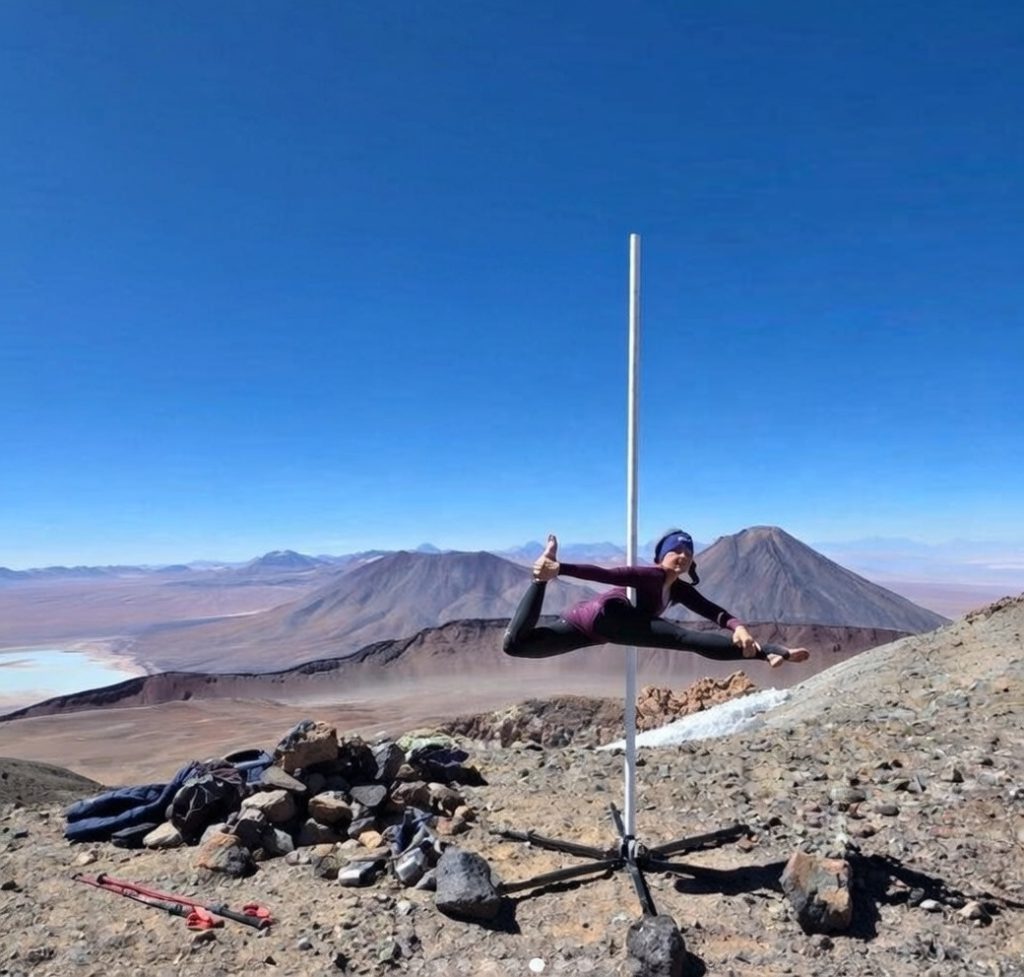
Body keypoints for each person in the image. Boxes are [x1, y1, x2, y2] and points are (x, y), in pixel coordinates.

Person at [502, 529, 810, 668]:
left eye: (688, 553)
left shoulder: (678, 589)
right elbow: (608, 575)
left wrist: (738, 627)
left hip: (591, 627)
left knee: (516, 646)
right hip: (606, 618)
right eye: (676, 551)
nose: (683, 556)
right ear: (662, 555)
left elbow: (712, 611)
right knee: (683, 638)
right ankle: (770, 651)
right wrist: (560, 569)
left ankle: (769, 652)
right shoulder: (650, 576)